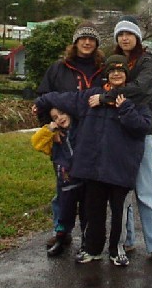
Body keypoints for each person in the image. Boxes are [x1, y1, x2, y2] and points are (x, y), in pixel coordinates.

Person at [35, 55, 152, 267]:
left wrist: (124, 109)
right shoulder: (90, 96)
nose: (116, 74)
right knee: (93, 211)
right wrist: (40, 103)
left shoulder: (135, 100)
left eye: (121, 70)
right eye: (112, 70)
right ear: (106, 73)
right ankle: (92, 249)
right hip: (93, 167)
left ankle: (117, 250)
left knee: (119, 214)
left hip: (121, 167)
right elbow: (62, 99)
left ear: (127, 74)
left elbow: (144, 127)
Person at [103, 15, 152, 266]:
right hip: (118, 130)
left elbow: (143, 89)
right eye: (120, 34)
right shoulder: (115, 61)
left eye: (129, 34)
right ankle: (127, 239)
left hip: (141, 132)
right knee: (122, 190)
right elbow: (102, 85)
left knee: (146, 190)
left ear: (137, 37)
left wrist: (112, 94)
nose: (124, 38)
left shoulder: (146, 60)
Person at [34, 21, 104, 250]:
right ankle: (61, 232)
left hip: (94, 137)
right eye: (82, 39)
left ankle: (88, 236)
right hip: (64, 138)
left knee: (89, 189)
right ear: (75, 43)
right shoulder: (59, 68)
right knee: (64, 188)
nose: (87, 42)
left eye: (92, 39)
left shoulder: (103, 70)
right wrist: (52, 121)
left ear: (96, 44)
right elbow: (42, 98)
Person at [30, 107, 84, 257]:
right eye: (55, 117)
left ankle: (86, 243)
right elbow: (36, 143)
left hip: (84, 180)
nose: (59, 118)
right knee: (64, 212)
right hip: (66, 184)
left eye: (62, 114)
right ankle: (60, 238)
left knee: (86, 213)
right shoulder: (54, 136)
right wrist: (50, 128)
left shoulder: (80, 130)